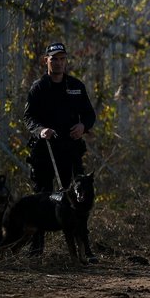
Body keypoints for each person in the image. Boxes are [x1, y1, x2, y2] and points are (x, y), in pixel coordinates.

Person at [23, 42, 97, 262]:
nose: (59, 62)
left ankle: (85, 250)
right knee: (42, 200)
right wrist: (41, 130)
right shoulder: (38, 88)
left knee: (79, 201)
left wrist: (83, 126)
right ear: (46, 60)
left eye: (62, 58)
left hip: (70, 151)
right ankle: (36, 252)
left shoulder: (76, 86)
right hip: (44, 151)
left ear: (66, 61)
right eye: (54, 58)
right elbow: (29, 118)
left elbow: (90, 115)